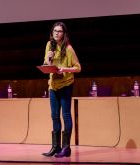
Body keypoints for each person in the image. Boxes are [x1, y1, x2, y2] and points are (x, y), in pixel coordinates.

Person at [42, 22, 81, 158]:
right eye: (55, 31)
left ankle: (66, 148)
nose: (57, 33)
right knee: (54, 116)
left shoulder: (69, 49)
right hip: (53, 85)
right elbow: (46, 63)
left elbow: (78, 67)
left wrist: (65, 69)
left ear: (64, 34)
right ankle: (55, 147)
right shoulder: (49, 45)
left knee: (65, 115)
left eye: (59, 31)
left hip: (65, 84)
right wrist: (48, 59)